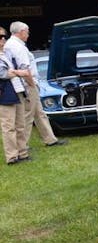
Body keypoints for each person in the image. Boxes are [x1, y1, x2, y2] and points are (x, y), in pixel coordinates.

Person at [5, 21, 66, 150]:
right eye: (27, 32)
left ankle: (50, 139)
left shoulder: (13, 44)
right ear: (21, 32)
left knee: (39, 113)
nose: (28, 34)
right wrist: (32, 85)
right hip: (28, 84)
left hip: (27, 83)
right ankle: (23, 145)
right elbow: (25, 69)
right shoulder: (18, 47)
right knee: (28, 115)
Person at [0, 27, 30, 164]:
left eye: (3, 36)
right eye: (0, 37)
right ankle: (12, 157)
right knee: (8, 127)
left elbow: (13, 71)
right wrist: (18, 72)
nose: (3, 39)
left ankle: (23, 153)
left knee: (20, 124)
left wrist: (15, 71)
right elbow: (4, 74)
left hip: (17, 91)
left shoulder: (6, 53)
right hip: (5, 94)